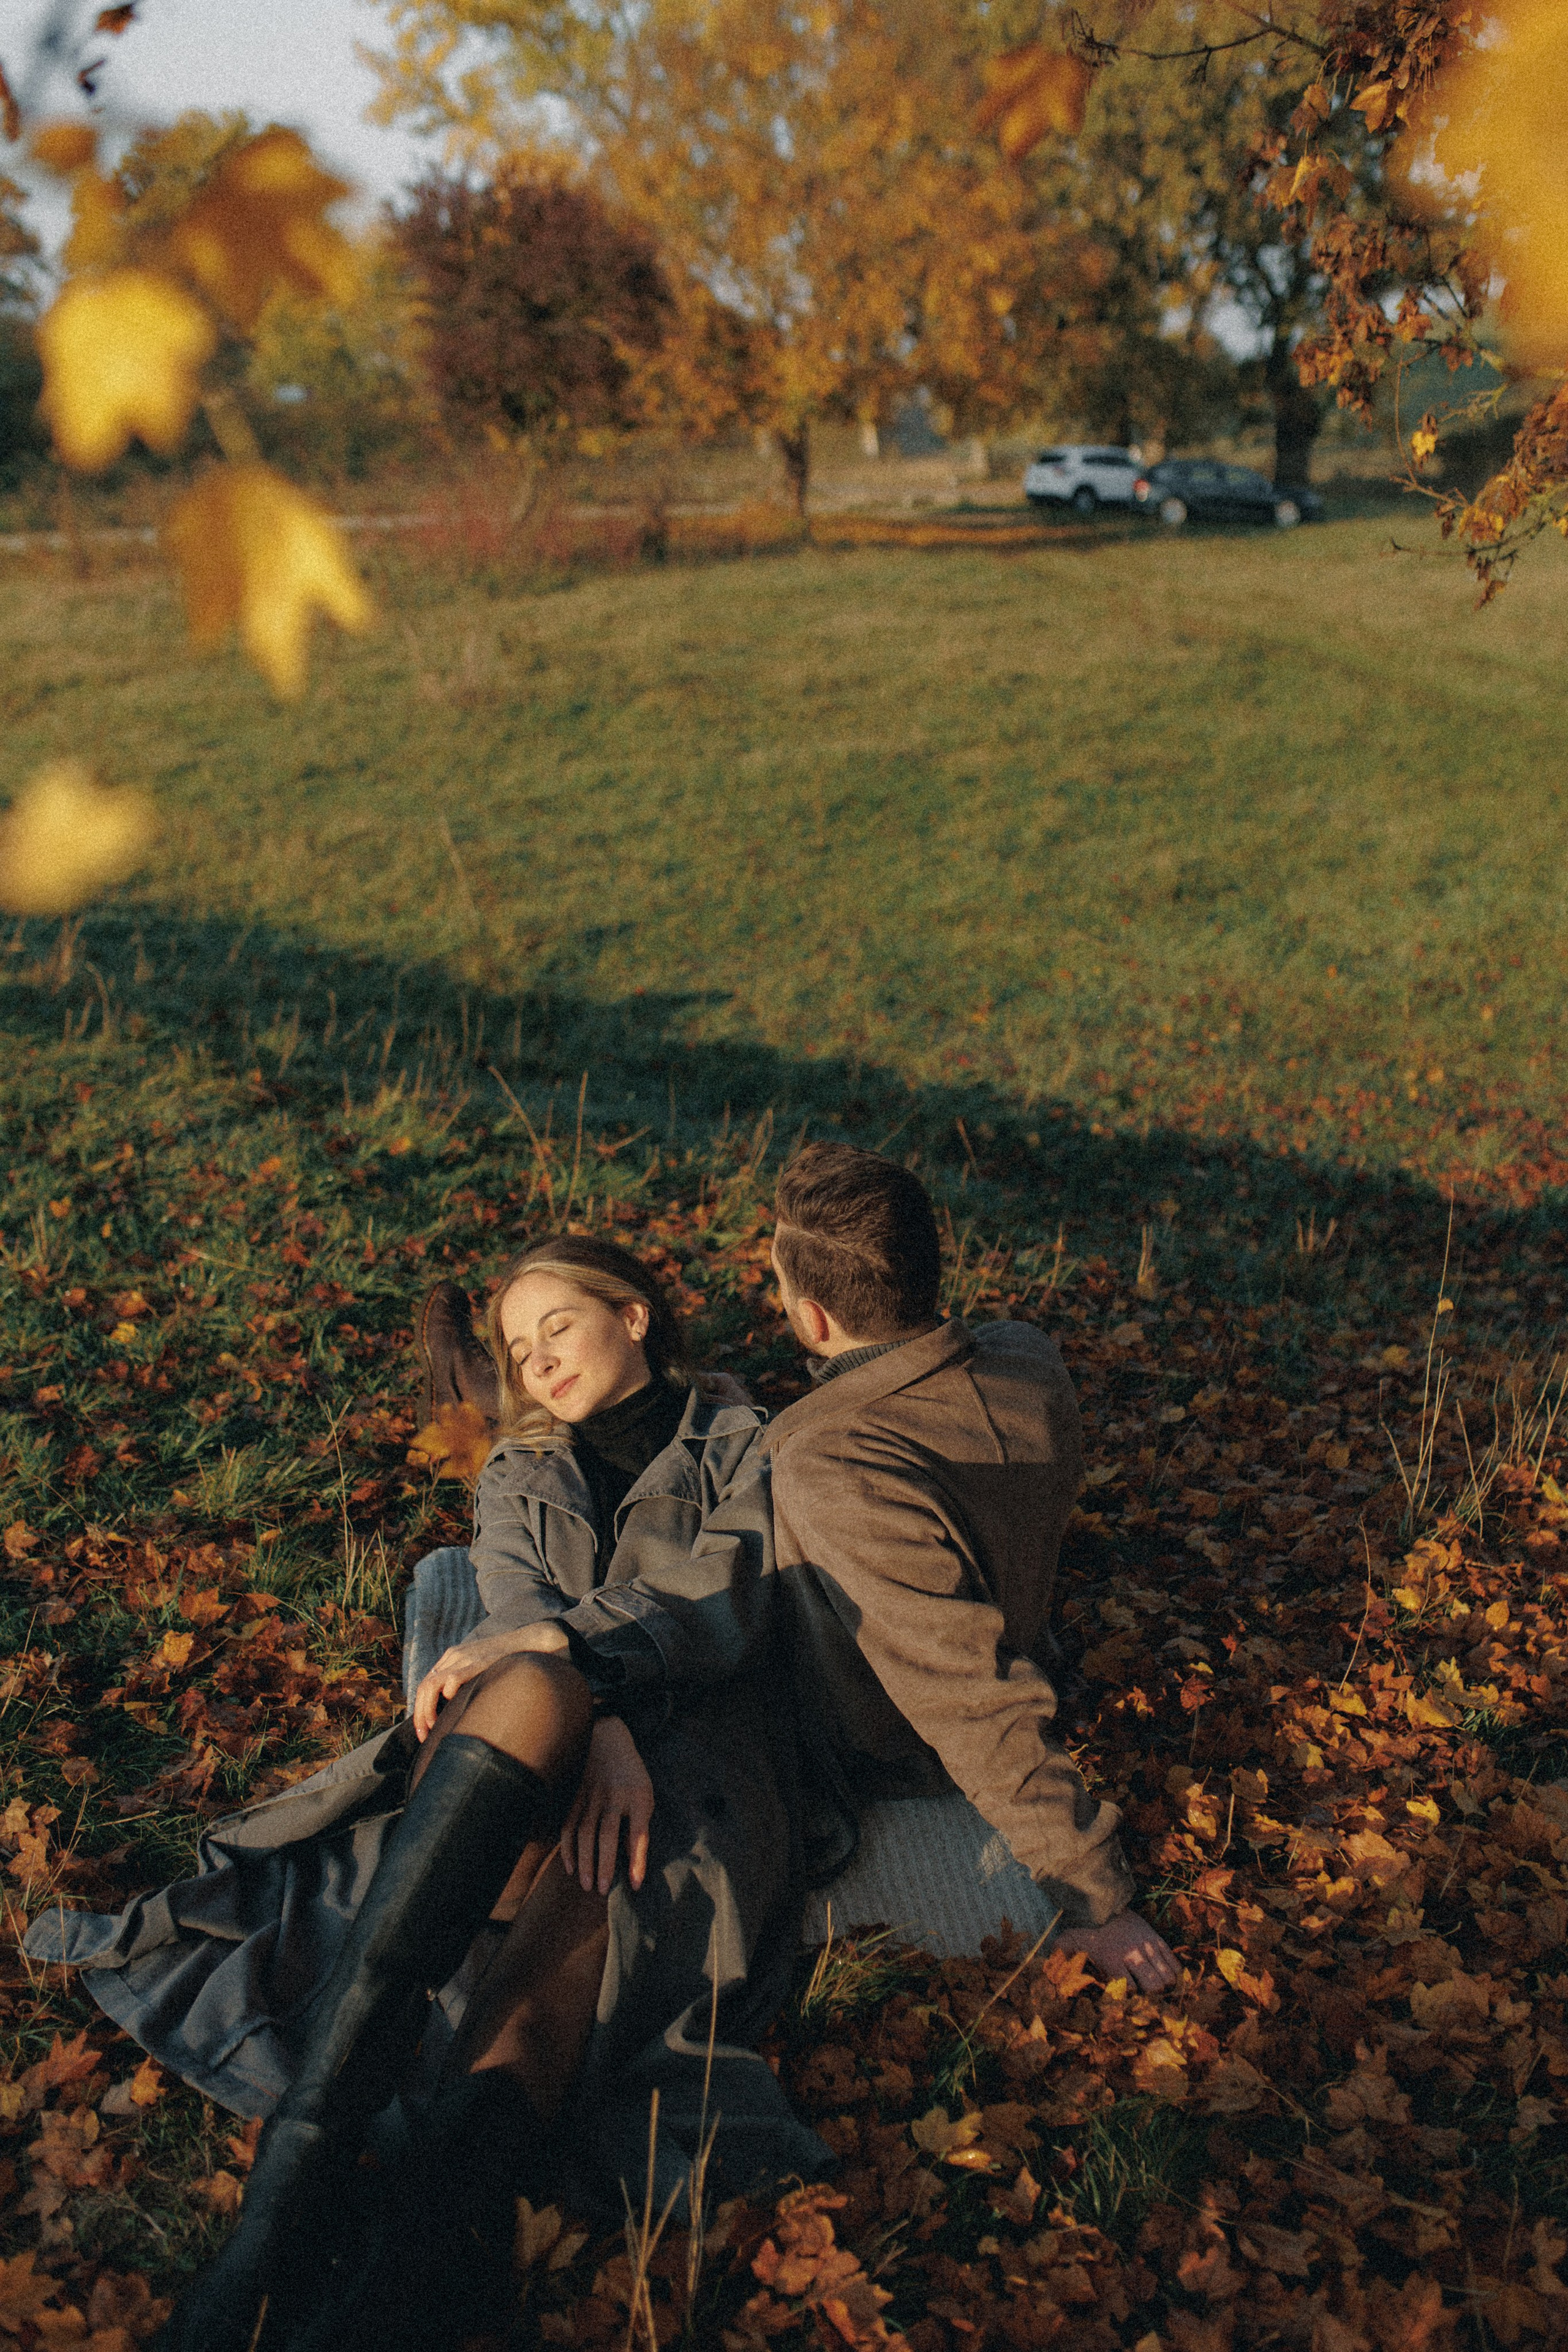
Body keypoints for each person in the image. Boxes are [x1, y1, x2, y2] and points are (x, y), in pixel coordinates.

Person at [31, 1237, 822, 2352]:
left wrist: (600, 1685)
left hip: (700, 1766)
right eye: (515, 1346)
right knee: (533, 1685)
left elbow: (729, 1593)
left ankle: (404, 2258)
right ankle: (285, 2207)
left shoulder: (744, 1440)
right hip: (552, 1738)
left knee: (592, 1910)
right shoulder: (517, 1469)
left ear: (634, 1316)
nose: (537, 1359)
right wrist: (593, 1709)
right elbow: (510, 1605)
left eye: (557, 1325)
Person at [762, 1142, 1180, 1994]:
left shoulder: (834, 1465)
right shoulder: (1027, 1355)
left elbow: (965, 1688)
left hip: (864, 1735)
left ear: (809, 1317)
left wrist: (1093, 1895)